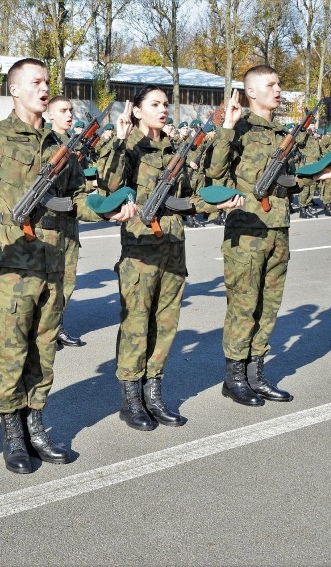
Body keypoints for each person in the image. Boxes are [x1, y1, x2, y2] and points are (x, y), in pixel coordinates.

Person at [0, 58, 136, 474]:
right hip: (12, 265)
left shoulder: (58, 142)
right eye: (36, 82)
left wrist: (108, 209)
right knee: (12, 351)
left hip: (55, 263)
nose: (45, 87)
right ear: (15, 90)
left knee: (43, 349)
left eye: (47, 81)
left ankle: (36, 423)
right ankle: (13, 433)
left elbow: (78, 197)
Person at [97, 86, 239, 431]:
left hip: (174, 250)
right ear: (138, 111)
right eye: (155, 105)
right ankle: (131, 399)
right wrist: (118, 140)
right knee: (136, 327)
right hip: (140, 255)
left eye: (165, 105)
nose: (163, 110)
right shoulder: (129, 148)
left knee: (165, 326)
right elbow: (108, 186)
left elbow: (194, 194)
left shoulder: (175, 149)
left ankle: (154, 393)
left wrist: (217, 204)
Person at [206, 66, 331, 407]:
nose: (278, 89)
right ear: (251, 92)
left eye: (279, 84)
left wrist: (319, 176)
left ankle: (256, 373)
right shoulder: (237, 128)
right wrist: (226, 127)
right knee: (243, 306)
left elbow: (290, 180)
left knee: (269, 306)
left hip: (279, 229)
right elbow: (215, 173)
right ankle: (234, 377)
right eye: (271, 85)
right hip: (247, 232)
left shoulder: (283, 131)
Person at [47, 94, 85, 347]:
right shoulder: (47, 142)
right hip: (49, 222)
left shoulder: (73, 144)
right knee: (49, 280)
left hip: (69, 220)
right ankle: (47, 328)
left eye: (71, 109)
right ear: (50, 115)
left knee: (67, 278)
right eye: (63, 110)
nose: (69, 114)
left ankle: (59, 324)